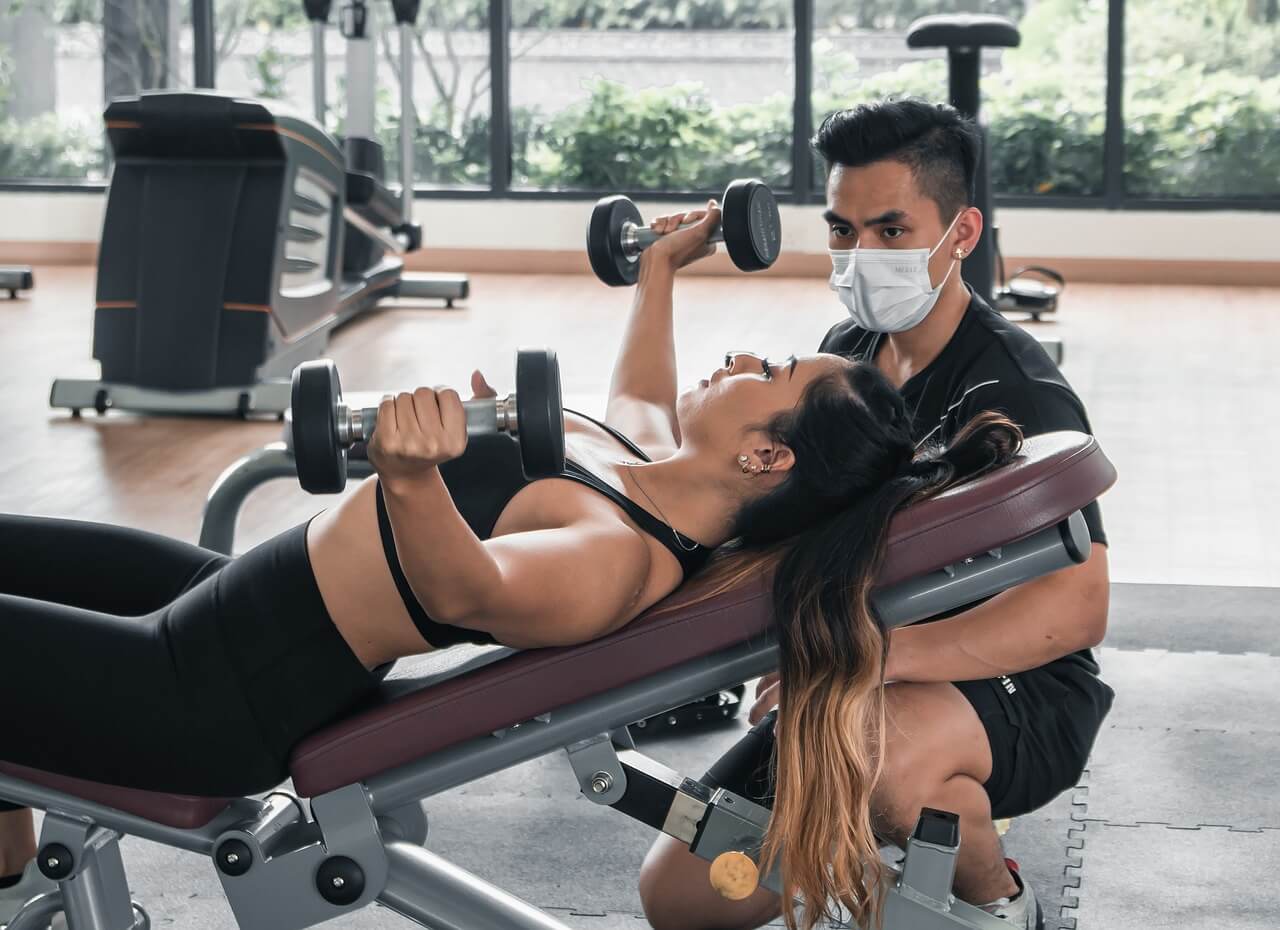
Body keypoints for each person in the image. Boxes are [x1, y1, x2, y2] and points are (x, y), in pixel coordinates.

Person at [0, 207, 1018, 930]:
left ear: (764, 457)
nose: (746, 358)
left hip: (204, 694)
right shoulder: (641, 464)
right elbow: (640, 388)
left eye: (771, 374)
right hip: (204, 604)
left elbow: (469, 590)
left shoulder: (616, 559)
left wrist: (413, 475)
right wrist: (660, 273)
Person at [638, 99, 1114, 930]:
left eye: (891, 231)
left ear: (961, 234)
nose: (862, 255)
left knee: (880, 761)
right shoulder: (849, 350)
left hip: (1016, 685)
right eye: (843, 230)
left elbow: (1077, 607)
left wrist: (870, 657)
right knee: (683, 897)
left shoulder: (1014, 391)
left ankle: (998, 900)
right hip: (858, 673)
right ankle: (902, 828)